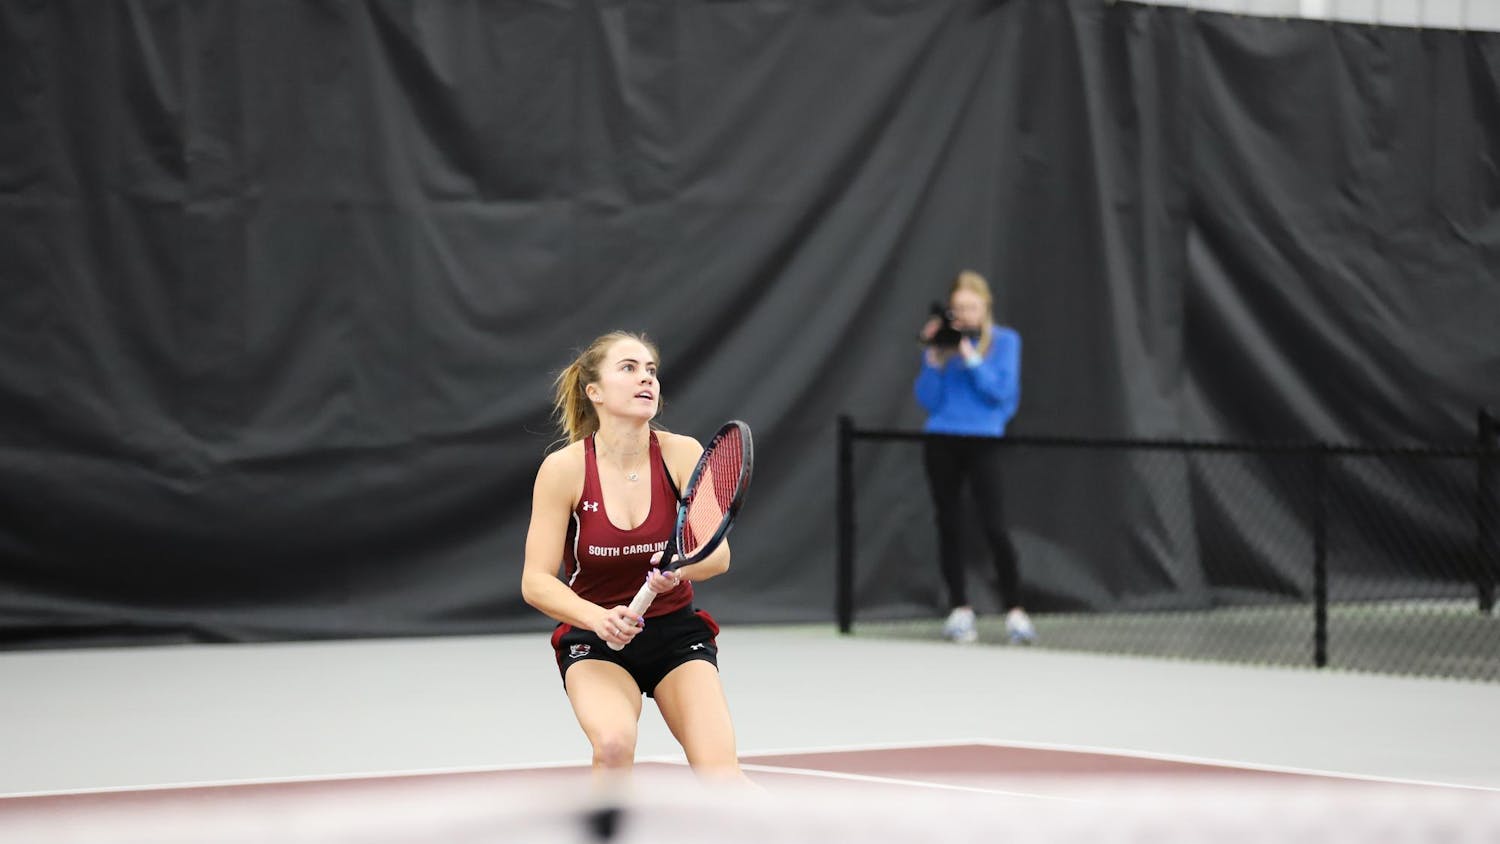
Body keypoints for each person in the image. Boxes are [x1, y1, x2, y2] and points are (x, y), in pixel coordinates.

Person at [521, 330, 751, 786]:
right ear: (595, 392)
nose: (646, 378)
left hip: (676, 637)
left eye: (651, 370)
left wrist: (676, 570)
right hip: (596, 640)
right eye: (628, 368)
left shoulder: (682, 454)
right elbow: (536, 581)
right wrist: (599, 618)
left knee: (723, 778)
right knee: (612, 746)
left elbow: (716, 555)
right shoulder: (563, 469)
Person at [914, 270, 1032, 645]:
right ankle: (960, 610)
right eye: (958, 308)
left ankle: (1015, 611)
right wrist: (934, 357)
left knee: (995, 525)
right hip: (942, 440)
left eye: (971, 307)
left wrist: (970, 357)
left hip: (983, 441)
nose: (964, 314)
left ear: (985, 307)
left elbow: (1001, 393)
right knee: (949, 524)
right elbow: (928, 400)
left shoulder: (1005, 342)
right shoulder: (942, 346)